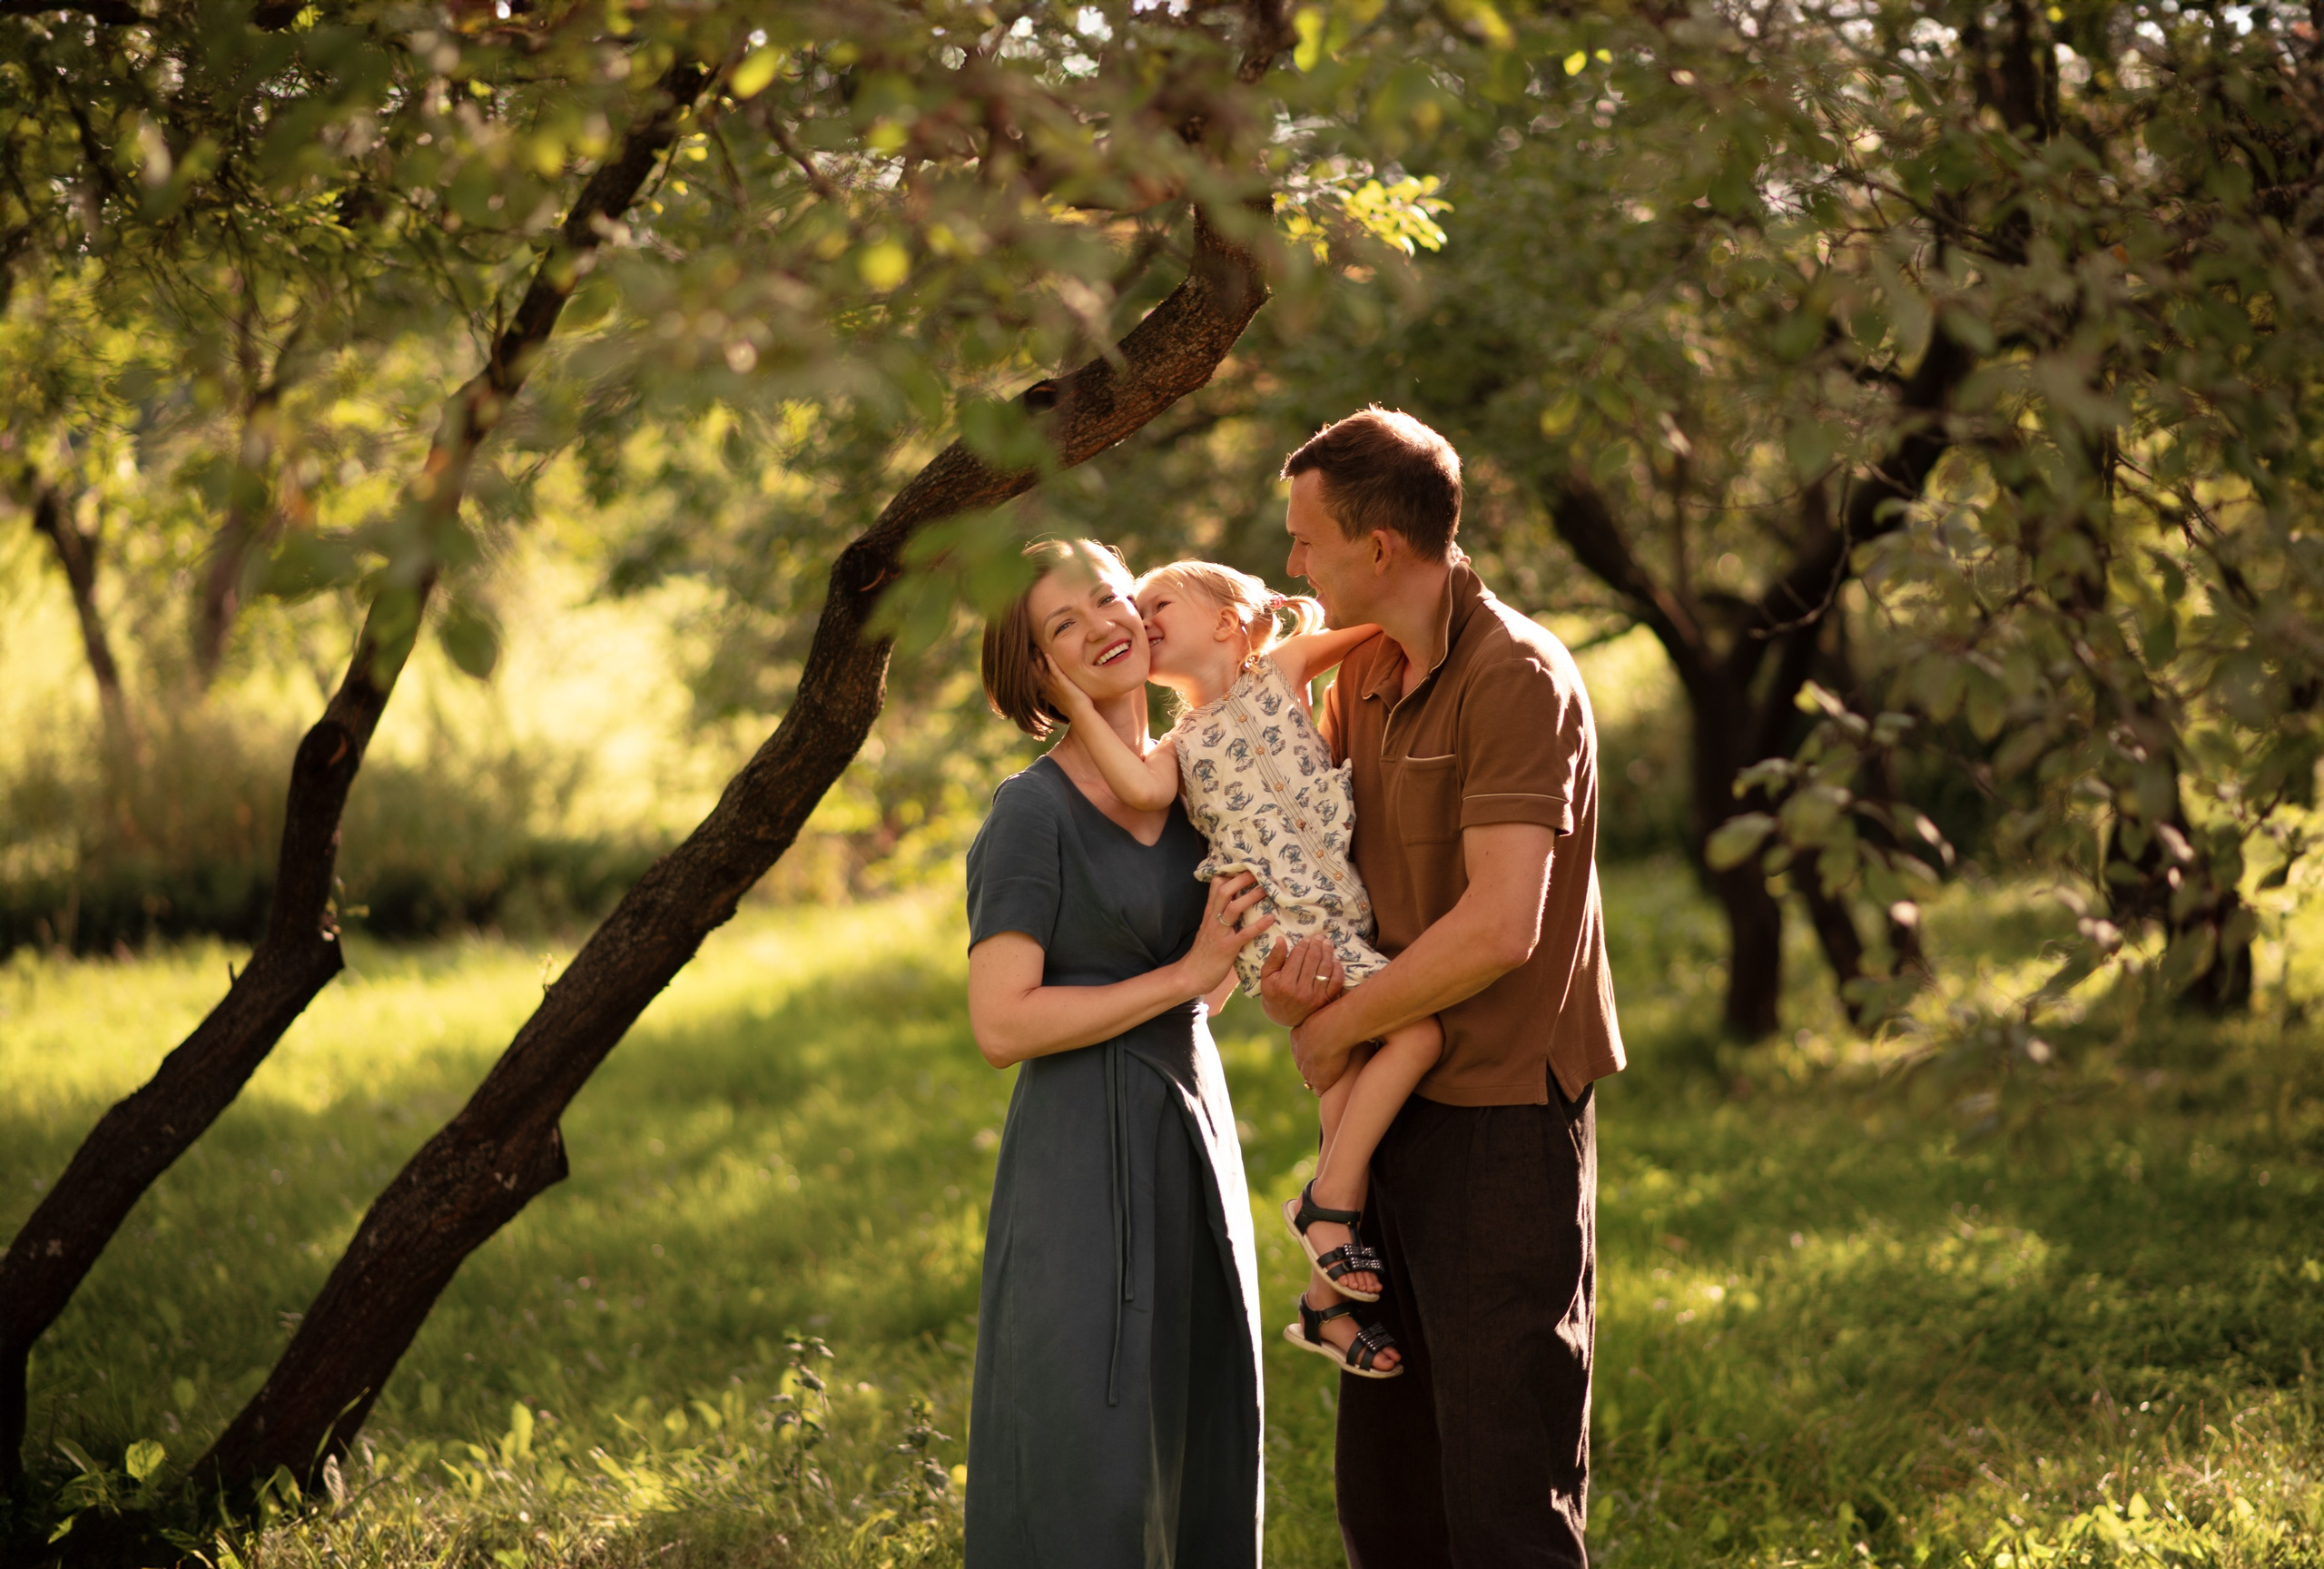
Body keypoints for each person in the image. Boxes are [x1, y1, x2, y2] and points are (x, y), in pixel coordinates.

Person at [1257, 408, 1627, 1569]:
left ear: (1380, 548)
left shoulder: (1517, 675)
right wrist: (1299, 990)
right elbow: (1325, 871)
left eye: (1306, 541)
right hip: (1388, 1112)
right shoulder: (1360, 671)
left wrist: (1341, 1032)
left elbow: (1499, 924)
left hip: (1501, 1116)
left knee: (1501, 1494)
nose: (1290, 566)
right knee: (1390, 1497)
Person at [1040, 557, 1441, 1378]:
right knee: (1420, 1034)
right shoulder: (1179, 748)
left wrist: (1435, 573)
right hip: (1283, 930)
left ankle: (1326, 1303)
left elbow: (1379, 618)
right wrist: (1076, 700)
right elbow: (1139, 789)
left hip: (1339, 913)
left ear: (1226, 623)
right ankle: (1326, 1207)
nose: (1139, 619)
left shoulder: (1283, 670)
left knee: (1346, 1079)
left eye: (1159, 605)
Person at [960, 538, 1270, 1568]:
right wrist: (1183, 978)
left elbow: (1215, 977)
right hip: (1078, 1156)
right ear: (1035, 672)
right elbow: (1001, 1024)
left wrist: (1220, 963)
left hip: (1193, 1127)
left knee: (1204, 1422)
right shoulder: (1029, 814)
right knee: (1085, 1449)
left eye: (1106, 596)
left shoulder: (1199, 786)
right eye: (1062, 624)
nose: (1102, 625)